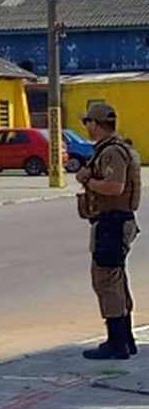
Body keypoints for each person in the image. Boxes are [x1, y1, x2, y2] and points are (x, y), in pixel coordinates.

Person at [76, 103, 141, 360]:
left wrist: (87, 180)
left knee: (106, 279)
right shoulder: (114, 149)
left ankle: (117, 342)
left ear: (96, 123)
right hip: (113, 222)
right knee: (115, 279)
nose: (87, 128)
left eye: (88, 122)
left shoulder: (112, 151)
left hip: (112, 222)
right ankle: (125, 339)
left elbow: (115, 187)